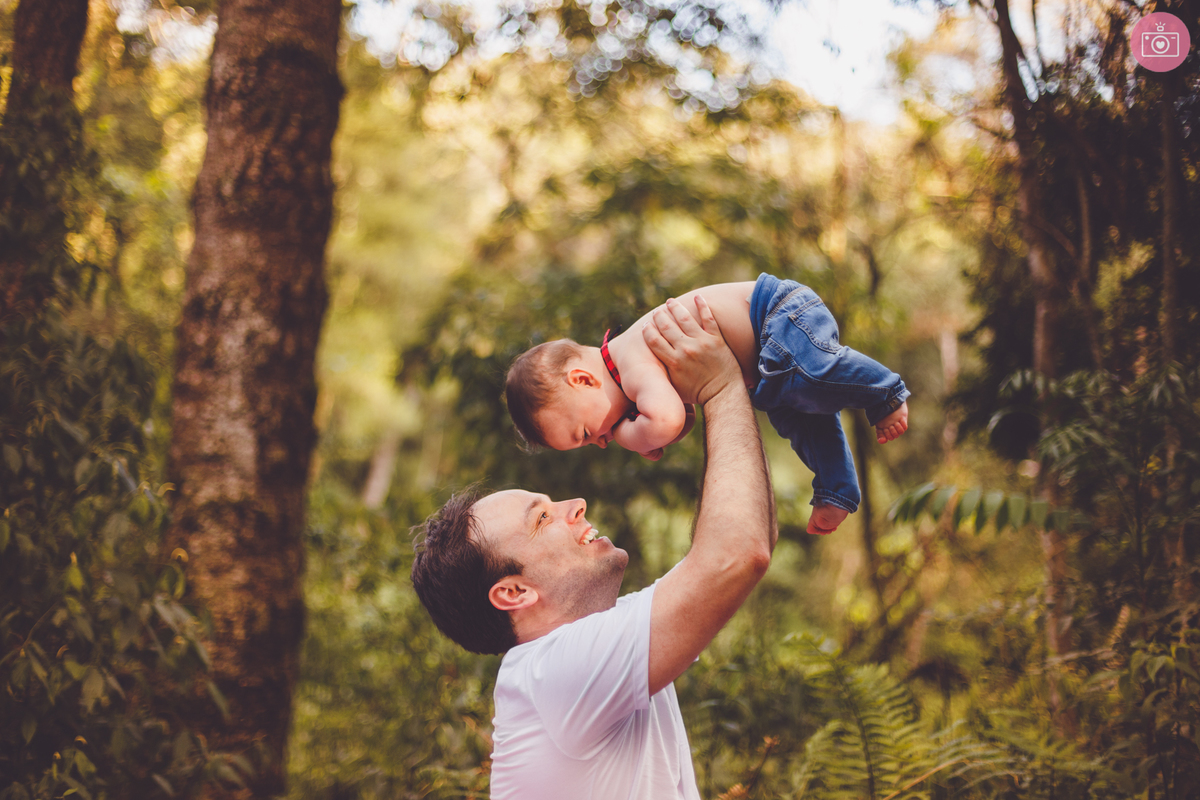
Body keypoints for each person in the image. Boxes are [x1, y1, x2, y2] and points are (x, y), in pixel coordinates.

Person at [411, 296, 777, 799]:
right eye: (543, 518)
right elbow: (736, 555)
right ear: (513, 591)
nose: (576, 505)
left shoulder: (594, 647)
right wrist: (719, 384)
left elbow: (744, 537)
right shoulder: (554, 672)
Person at [505, 272, 910, 535]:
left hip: (779, 318)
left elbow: (666, 420)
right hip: (767, 369)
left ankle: (885, 391)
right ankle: (836, 490)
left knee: (815, 375)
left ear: (582, 379)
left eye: (585, 433)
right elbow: (683, 420)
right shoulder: (629, 380)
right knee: (803, 419)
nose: (600, 440)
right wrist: (656, 429)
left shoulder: (629, 361)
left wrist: (635, 436)